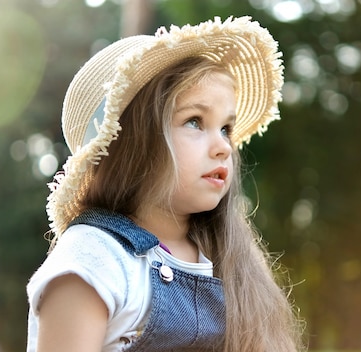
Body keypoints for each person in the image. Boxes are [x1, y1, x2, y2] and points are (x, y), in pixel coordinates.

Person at [26, 16, 303, 352]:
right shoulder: (96, 257)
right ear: (131, 141)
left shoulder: (227, 259)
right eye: (195, 122)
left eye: (226, 129)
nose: (223, 147)